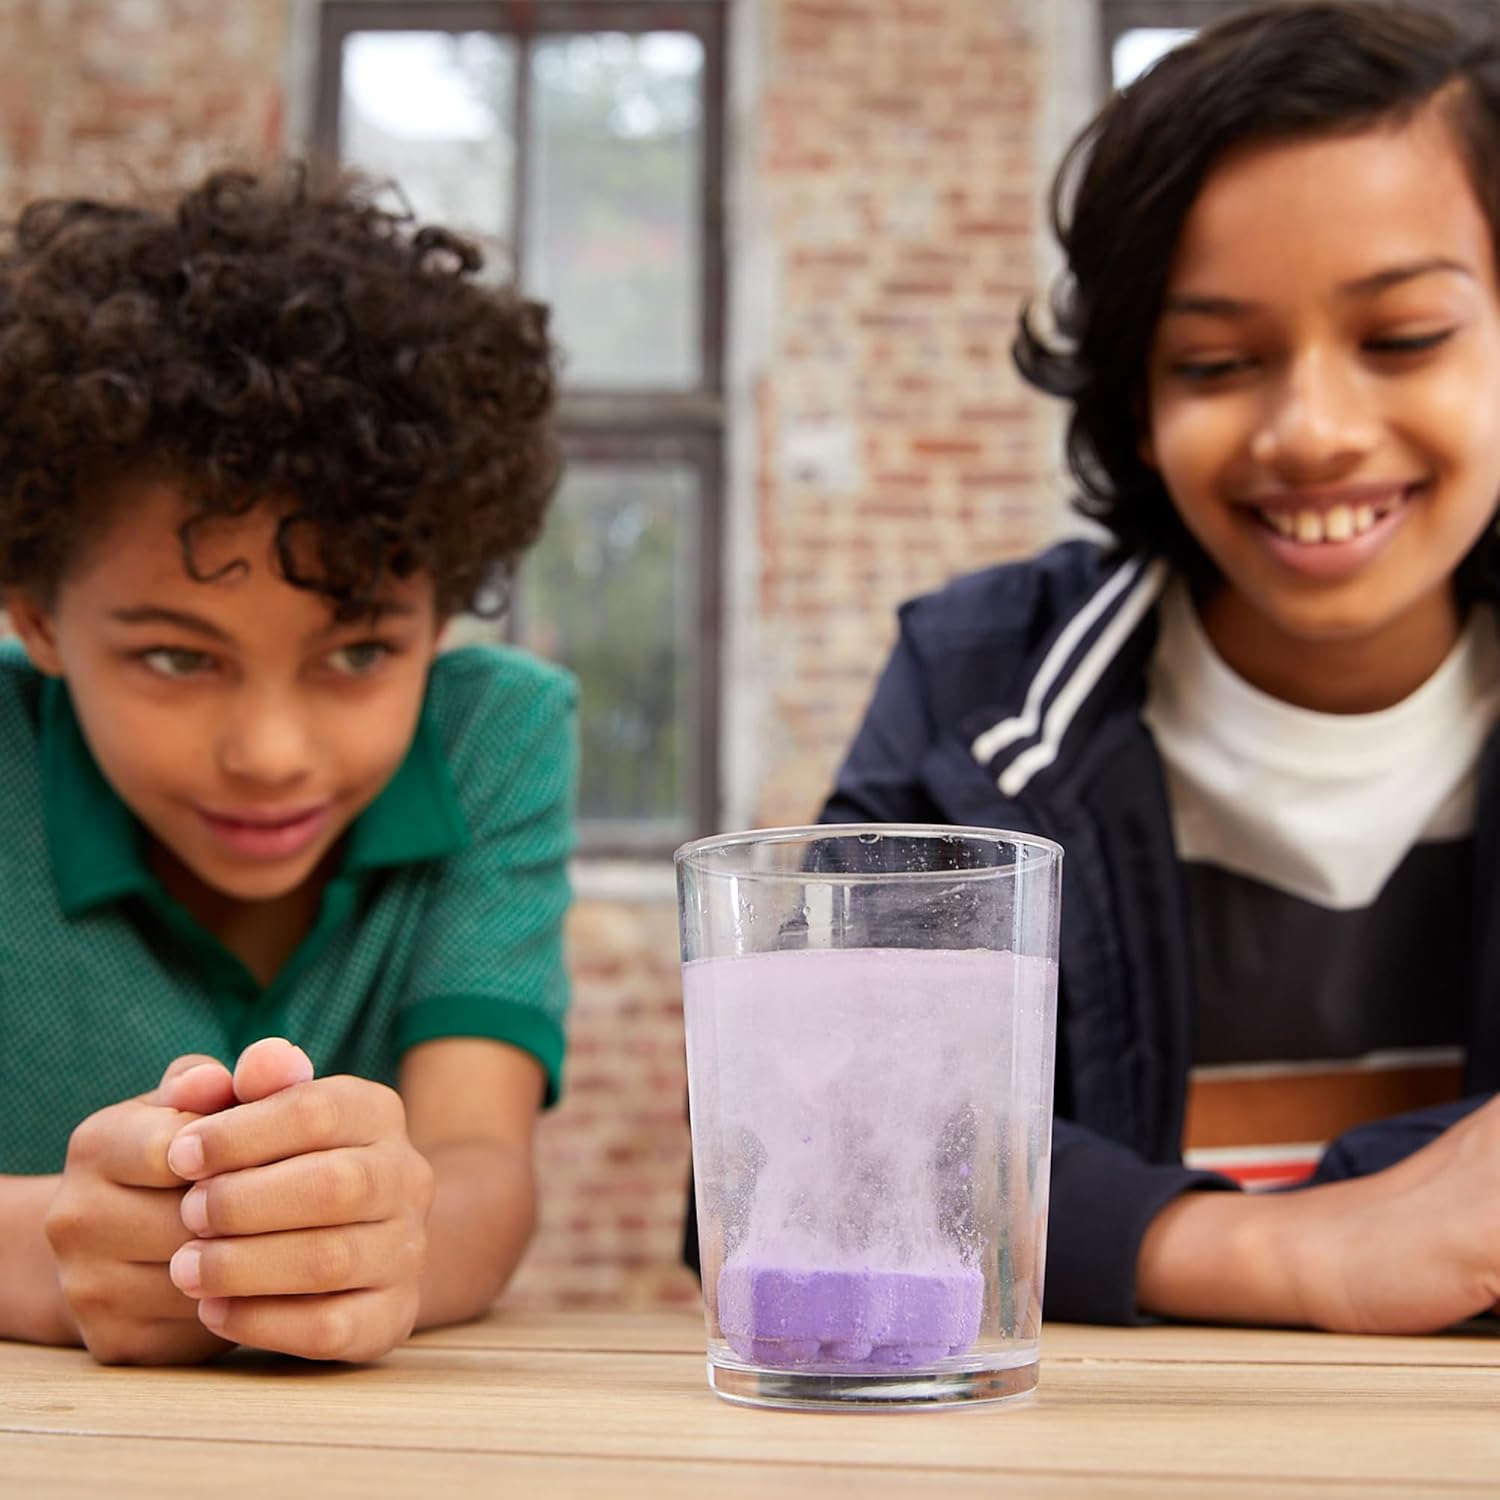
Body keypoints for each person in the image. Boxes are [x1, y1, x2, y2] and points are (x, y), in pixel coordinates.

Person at [818, 0, 1500, 1330]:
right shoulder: (982, 692)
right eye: (1217, 361)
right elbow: (802, 1142)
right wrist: (1298, 1254)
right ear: (1136, 398)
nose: (1313, 431)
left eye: (1404, 338)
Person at [0, 164, 577, 1364]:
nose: (271, 754)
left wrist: (391, 1244)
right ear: (37, 621)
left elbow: (479, 1169)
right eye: (175, 657)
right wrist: (52, 1255)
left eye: (359, 651)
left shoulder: (493, 742)